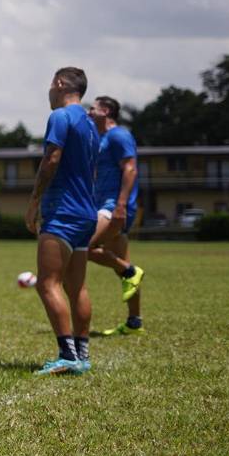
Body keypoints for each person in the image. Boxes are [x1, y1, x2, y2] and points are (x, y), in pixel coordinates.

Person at [25, 67, 99, 375]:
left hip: (63, 211)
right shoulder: (91, 124)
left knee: (47, 283)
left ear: (59, 83)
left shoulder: (60, 116)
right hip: (87, 212)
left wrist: (34, 201)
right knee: (76, 286)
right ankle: (81, 354)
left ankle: (67, 355)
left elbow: (51, 159)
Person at [86, 96, 145, 336]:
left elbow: (130, 169)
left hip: (114, 206)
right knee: (122, 264)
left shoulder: (119, 135)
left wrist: (121, 205)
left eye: (92, 108)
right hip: (104, 204)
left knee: (82, 246)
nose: (88, 112)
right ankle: (134, 322)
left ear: (106, 111)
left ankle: (130, 270)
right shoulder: (100, 138)